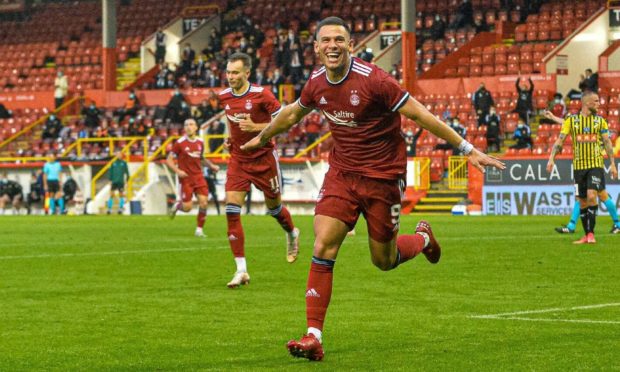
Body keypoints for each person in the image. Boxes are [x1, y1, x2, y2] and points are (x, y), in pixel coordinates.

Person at [241, 17, 505, 361]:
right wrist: (262, 137)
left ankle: (423, 238)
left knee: (384, 260)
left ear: (351, 45)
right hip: (342, 174)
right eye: (326, 41)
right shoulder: (316, 82)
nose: (332, 45)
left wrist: (467, 149)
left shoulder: (376, 80)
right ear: (317, 48)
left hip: (383, 176)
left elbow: (420, 114)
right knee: (323, 244)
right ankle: (313, 336)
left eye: (339, 39)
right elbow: (292, 114)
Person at [219, 52, 301, 288]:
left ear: (247, 73)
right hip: (238, 159)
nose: (230, 77)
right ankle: (241, 270)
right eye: (228, 72)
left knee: (274, 209)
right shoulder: (224, 96)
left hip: (264, 159)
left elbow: (283, 122)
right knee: (232, 210)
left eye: (235, 72)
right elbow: (229, 120)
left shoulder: (261, 94)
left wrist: (256, 127)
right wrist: (229, 138)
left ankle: (292, 232)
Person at [546, 92, 618, 244]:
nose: (599, 104)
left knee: (593, 195)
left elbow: (607, 143)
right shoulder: (572, 121)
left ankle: (592, 233)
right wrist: (551, 158)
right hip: (579, 167)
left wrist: (612, 164)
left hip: (595, 165)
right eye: (596, 101)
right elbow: (560, 141)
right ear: (587, 104)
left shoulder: (600, 122)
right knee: (583, 201)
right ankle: (587, 234)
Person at [167, 118, 220, 237]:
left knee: (204, 203)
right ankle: (178, 205)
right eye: (186, 125)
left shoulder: (200, 142)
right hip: (186, 178)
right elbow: (169, 160)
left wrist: (211, 166)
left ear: (196, 127)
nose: (188, 127)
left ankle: (199, 230)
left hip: (199, 177)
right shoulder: (179, 143)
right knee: (187, 208)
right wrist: (177, 171)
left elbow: (201, 158)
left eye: (191, 124)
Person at [107, 149, 130, 215]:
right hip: (114, 181)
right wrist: (110, 180)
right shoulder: (113, 163)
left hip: (121, 181)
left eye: (119, 154)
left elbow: (127, 173)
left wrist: (127, 181)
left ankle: (120, 208)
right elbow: (110, 172)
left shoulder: (124, 163)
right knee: (111, 194)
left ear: (121, 155)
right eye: (117, 154)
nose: (118, 155)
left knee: (121, 195)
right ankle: (109, 209)